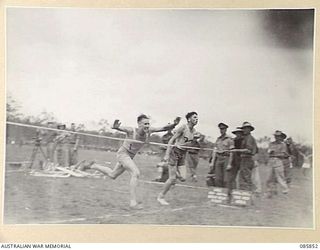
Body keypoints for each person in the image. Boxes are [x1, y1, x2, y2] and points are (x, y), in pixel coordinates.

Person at [82, 114, 181, 209]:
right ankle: (133, 202)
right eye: (144, 124)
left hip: (130, 156)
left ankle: (92, 166)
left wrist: (174, 124)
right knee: (136, 173)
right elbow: (120, 128)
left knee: (113, 175)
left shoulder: (149, 131)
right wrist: (116, 127)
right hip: (123, 154)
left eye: (148, 124)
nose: (147, 126)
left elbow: (163, 128)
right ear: (139, 124)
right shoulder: (131, 130)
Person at [157, 112, 200, 205]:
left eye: (197, 118)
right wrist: (167, 154)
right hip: (175, 152)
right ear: (189, 119)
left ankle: (170, 169)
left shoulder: (194, 131)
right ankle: (161, 197)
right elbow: (171, 140)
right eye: (194, 117)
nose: (197, 119)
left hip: (183, 155)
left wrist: (196, 138)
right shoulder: (183, 127)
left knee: (183, 178)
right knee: (172, 179)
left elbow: (189, 142)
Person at [266, 130, 289, 198]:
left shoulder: (283, 144)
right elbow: (269, 151)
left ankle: (285, 191)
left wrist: (275, 153)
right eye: (276, 136)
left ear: (281, 137)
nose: (277, 137)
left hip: (278, 161)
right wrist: (272, 152)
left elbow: (283, 154)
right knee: (269, 177)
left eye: (278, 136)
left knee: (280, 177)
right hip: (271, 161)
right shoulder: (271, 143)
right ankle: (270, 191)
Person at [236, 122, 258, 192]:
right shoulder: (245, 138)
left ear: (249, 129)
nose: (244, 130)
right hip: (244, 159)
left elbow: (249, 150)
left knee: (246, 177)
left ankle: (250, 193)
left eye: (246, 128)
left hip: (247, 159)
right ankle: (243, 194)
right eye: (243, 128)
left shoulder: (249, 138)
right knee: (242, 177)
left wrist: (236, 150)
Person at [212, 123, 234, 187]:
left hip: (226, 158)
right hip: (219, 158)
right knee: (218, 178)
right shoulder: (218, 139)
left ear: (226, 129)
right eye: (220, 129)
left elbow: (232, 152)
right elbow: (215, 151)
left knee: (226, 179)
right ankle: (218, 193)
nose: (221, 130)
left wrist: (230, 163)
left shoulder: (229, 139)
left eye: (223, 129)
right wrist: (212, 162)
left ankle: (226, 194)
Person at [227, 128, 243, 197]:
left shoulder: (244, 140)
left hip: (242, 161)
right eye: (237, 133)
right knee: (231, 178)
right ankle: (232, 193)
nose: (238, 134)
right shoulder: (233, 141)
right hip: (234, 161)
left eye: (239, 133)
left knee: (242, 179)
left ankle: (241, 194)